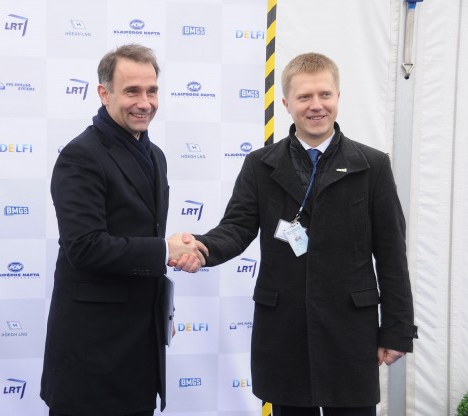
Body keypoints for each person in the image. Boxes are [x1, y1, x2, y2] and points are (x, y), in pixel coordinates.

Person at [171, 52, 417, 416]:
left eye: (324, 94)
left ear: (338, 97)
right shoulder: (259, 165)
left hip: (350, 331)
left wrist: (397, 330)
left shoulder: (373, 166)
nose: (316, 105)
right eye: (304, 97)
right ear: (286, 104)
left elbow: (392, 254)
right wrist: (201, 247)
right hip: (284, 331)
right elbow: (236, 228)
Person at [40, 44, 207, 416]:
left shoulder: (156, 155)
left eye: (152, 91)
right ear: (105, 93)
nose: (145, 103)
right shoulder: (80, 156)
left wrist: (160, 309)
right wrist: (166, 251)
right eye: (132, 91)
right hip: (92, 351)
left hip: (141, 343)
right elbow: (85, 246)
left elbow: (144, 235)